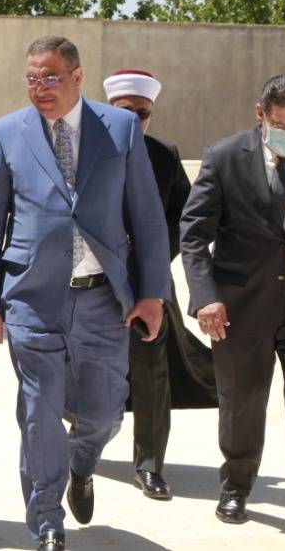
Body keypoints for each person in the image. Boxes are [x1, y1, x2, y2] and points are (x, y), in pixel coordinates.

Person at [0, 36, 171, 551]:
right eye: (32, 78)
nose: (40, 88)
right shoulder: (6, 133)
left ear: (78, 77)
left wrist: (152, 293)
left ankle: (84, 461)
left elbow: (147, 215)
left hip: (104, 298)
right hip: (32, 298)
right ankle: (47, 522)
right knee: (39, 414)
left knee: (104, 412)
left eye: (51, 77)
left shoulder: (120, 128)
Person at [180, 74, 285, 548]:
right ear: (261, 115)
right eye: (283, 125)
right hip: (240, 305)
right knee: (242, 402)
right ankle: (236, 485)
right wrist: (205, 296)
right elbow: (194, 234)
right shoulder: (223, 157)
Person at [101, 69, 216, 501]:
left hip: (148, 285)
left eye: (142, 113)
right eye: (125, 111)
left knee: (153, 371)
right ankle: (84, 434)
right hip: (91, 282)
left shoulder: (164, 155)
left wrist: (150, 258)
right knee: (82, 369)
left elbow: (183, 218)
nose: (134, 120)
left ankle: (149, 465)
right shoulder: (83, 149)